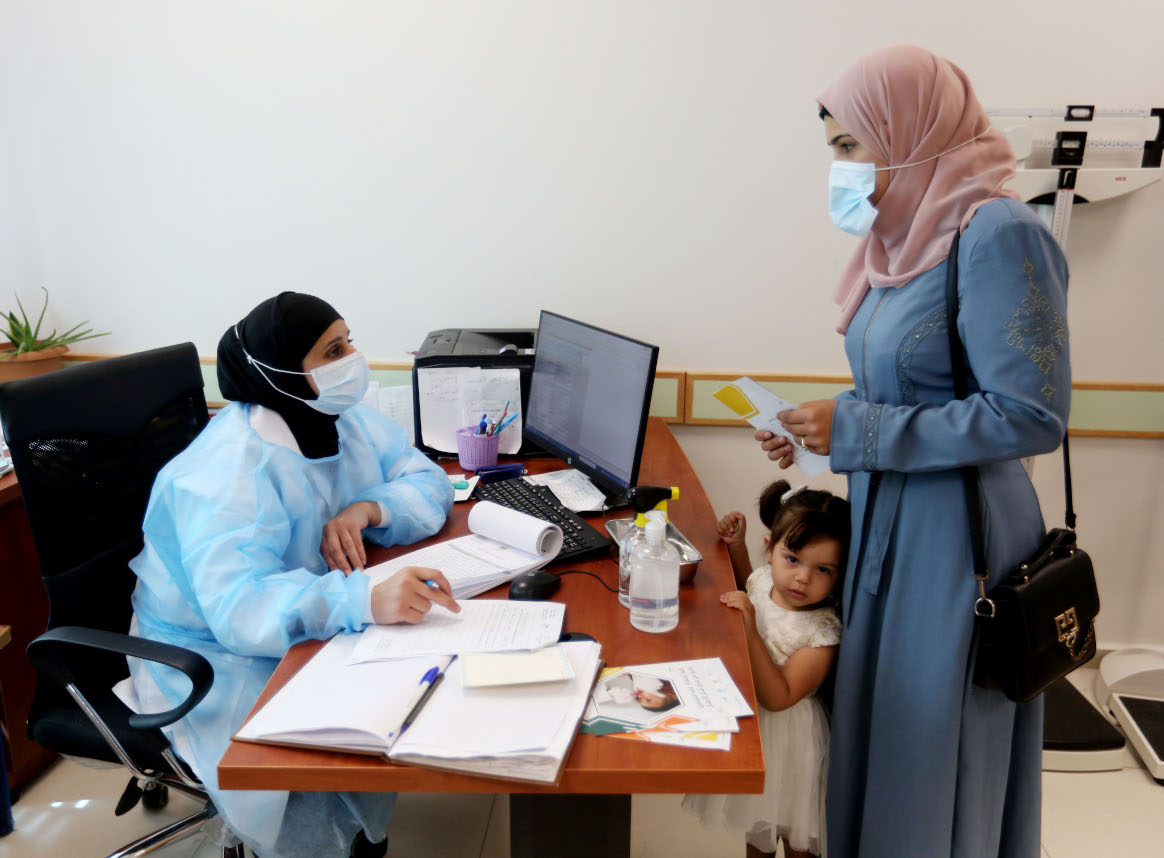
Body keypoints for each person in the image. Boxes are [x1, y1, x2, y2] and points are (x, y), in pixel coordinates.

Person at [756, 46, 1070, 856]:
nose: (842, 167)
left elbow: (1031, 414)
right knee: (879, 717)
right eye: (835, 148)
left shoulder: (997, 231)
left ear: (913, 131)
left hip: (958, 533)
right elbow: (910, 389)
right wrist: (816, 428)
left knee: (932, 732)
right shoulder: (902, 243)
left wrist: (860, 430)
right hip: (890, 514)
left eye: (851, 146)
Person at [123, 292, 457, 858]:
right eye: (334, 349)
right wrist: (362, 599)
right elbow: (242, 611)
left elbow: (428, 480)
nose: (354, 356)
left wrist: (368, 509)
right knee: (329, 758)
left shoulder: (339, 418)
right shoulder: (225, 474)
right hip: (212, 657)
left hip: (305, 607)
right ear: (282, 372)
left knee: (409, 681)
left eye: (349, 339)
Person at [684, 480, 849, 858]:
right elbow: (752, 586)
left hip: (793, 747)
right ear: (770, 548)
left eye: (822, 569)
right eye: (792, 559)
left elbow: (779, 696)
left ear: (841, 575)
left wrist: (750, 631)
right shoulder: (762, 581)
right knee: (756, 834)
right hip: (755, 736)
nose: (802, 578)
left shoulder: (823, 632)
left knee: (797, 842)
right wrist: (737, 548)